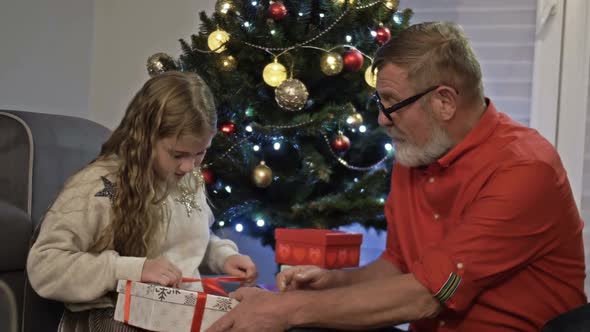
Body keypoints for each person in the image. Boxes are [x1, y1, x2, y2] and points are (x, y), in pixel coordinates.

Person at [205, 21, 587, 332]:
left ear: (445, 101)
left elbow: (429, 293)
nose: (381, 119)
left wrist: (285, 310)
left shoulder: (523, 169)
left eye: (392, 104)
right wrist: (336, 282)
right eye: (380, 103)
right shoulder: (417, 152)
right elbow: (400, 265)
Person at [26, 71, 258, 331]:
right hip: (113, 318)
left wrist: (222, 257)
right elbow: (45, 266)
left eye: (200, 153)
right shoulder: (99, 186)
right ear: (145, 138)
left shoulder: (189, 179)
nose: (189, 166)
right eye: (178, 154)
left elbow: (185, 242)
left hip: (175, 315)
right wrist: (133, 269)